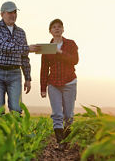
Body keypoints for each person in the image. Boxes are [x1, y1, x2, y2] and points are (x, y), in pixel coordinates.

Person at [0, 1, 40, 116]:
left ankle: (15, 133)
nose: (13, 15)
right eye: (10, 12)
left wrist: (27, 77)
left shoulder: (21, 32)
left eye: (15, 12)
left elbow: (24, 57)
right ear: (2, 14)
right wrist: (27, 48)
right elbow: (2, 46)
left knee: (16, 109)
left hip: (15, 73)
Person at [40, 19, 79, 149]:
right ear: (50, 31)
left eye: (59, 27)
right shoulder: (47, 48)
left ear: (63, 29)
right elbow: (44, 68)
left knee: (68, 115)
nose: (57, 29)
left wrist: (61, 52)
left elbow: (75, 60)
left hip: (69, 83)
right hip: (53, 84)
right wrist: (43, 88)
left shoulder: (70, 44)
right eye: (54, 27)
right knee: (57, 114)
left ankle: (67, 142)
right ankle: (61, 143)